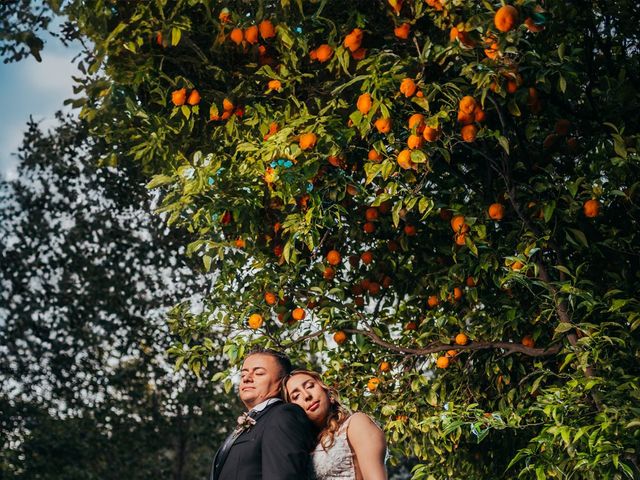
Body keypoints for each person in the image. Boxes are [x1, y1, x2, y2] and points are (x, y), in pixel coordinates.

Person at [210, 348, 316, 480]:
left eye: (259, 373)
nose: (247, 379)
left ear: (280, 384)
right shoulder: (255, 420)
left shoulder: (283, 415)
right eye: (243, 375)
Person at [283, 369, 388, 480]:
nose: (306, 395)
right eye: (296, 396)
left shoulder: (356, 423)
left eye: (310, 386)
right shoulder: (305, 446)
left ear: (327, 392)